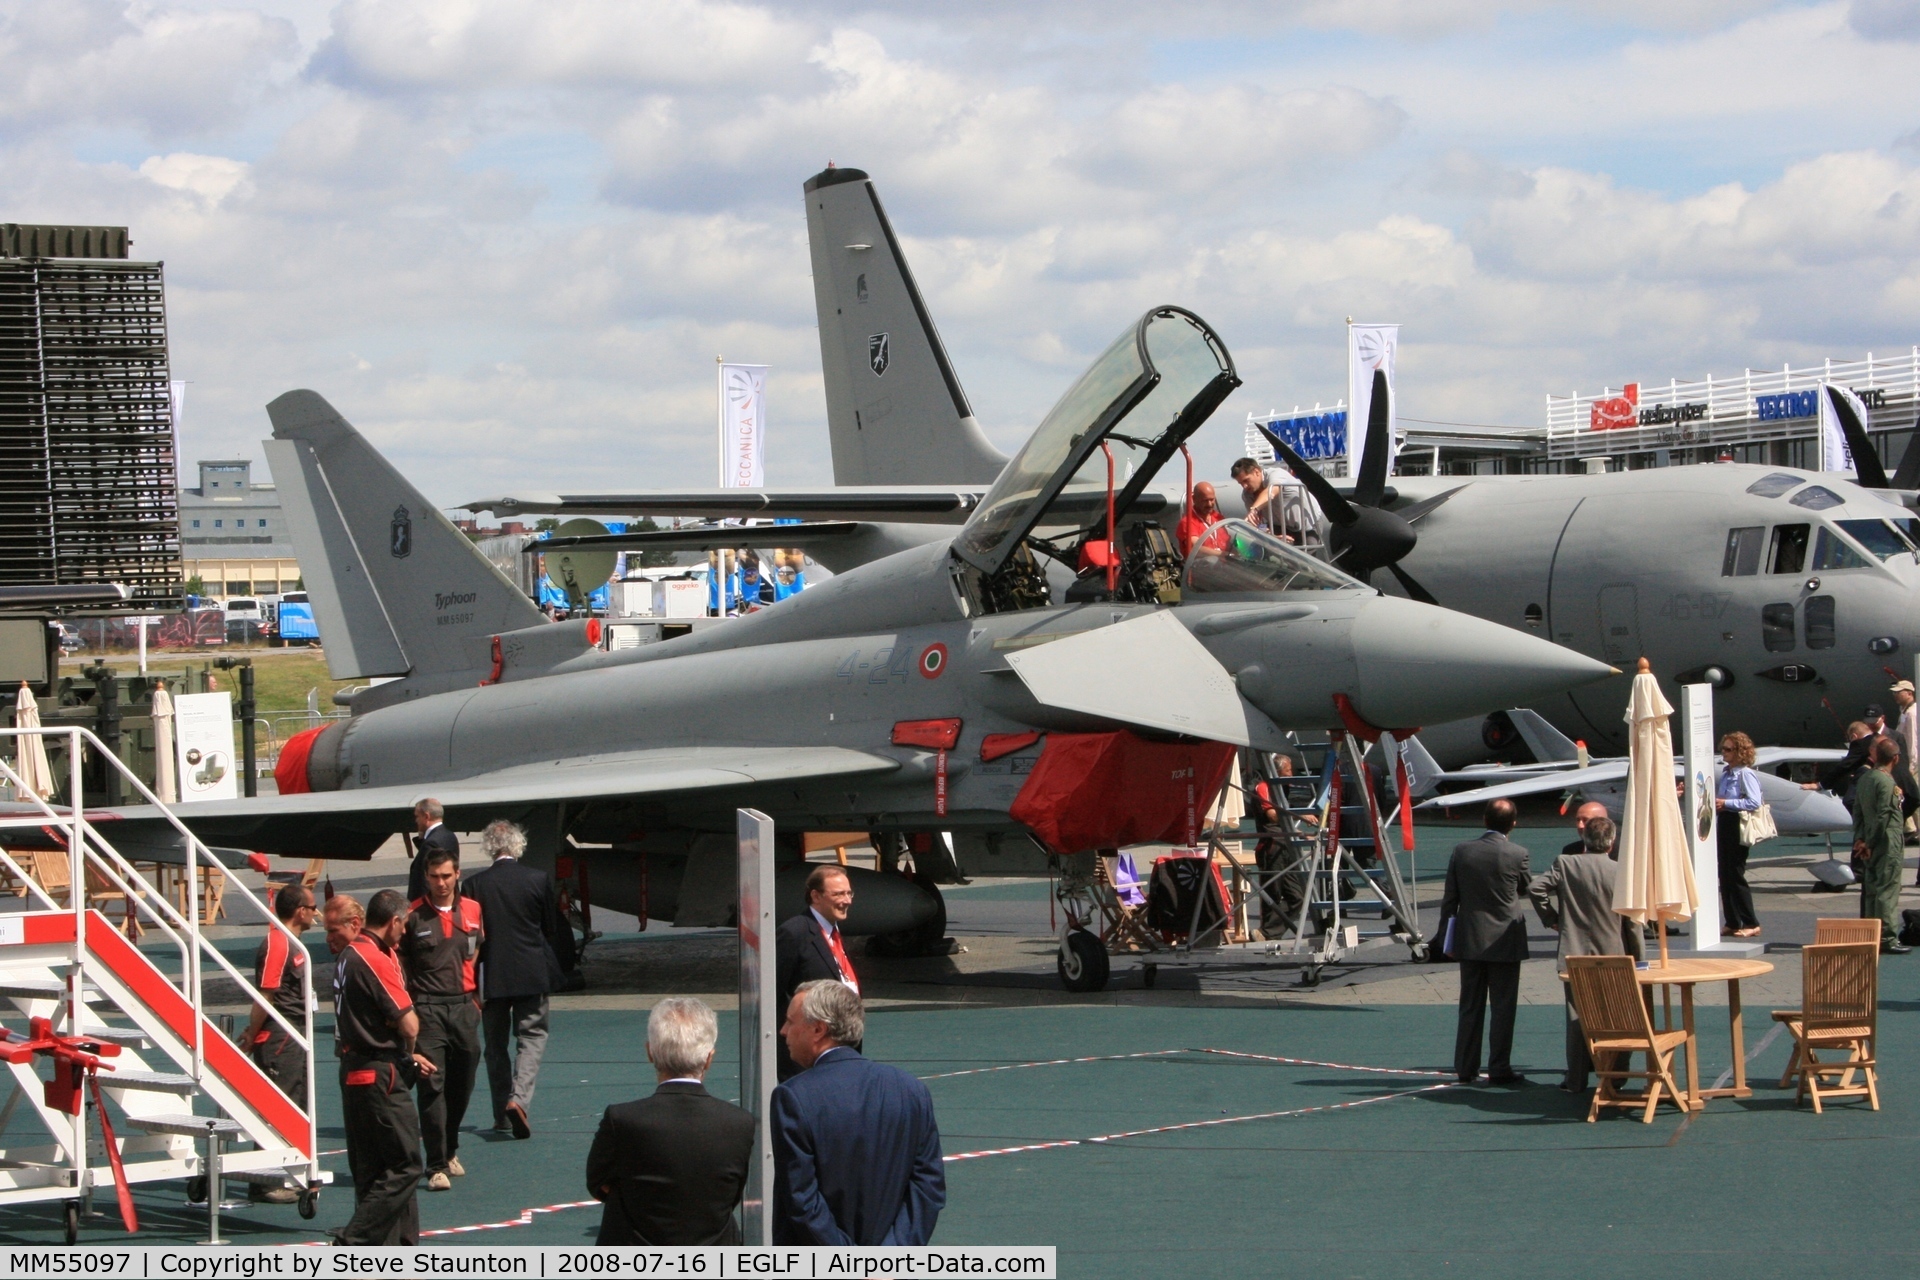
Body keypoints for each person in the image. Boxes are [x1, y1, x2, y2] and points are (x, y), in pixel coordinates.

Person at [771, 981, 944, 1245]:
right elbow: (927, 1186)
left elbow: (802, 1198)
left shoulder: (794, 1097)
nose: (783, 1031)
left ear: (818, 1030)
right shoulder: (911, 1090)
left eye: (790, 1021)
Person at [585, 998, 754, 1245]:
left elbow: (598, 1183)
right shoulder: (739, 1123)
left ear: (650, 1052)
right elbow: (732, 1193)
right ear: (709, 1058)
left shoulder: (622, 1120)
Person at [331, 890, 436, 1246]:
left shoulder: (347, 955)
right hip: (380, 1072)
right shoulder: (372, 958)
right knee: (406, 1165)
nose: (404, 932)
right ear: (393, 921)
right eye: (403, 925)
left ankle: (396, 1246)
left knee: (373, 1170)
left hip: (354, 1068)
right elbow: (409, 1024)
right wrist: (406, 1048)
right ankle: (354, 1239)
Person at [461, 819, 562, 1139]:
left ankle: (500, 1113)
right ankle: (518, 1099)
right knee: (531, 1037)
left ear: (489, 847)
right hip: (531, 971)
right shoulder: (537, 879)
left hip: (491, 975)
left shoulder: (474, 885)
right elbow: (550, 927)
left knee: (494, 1046)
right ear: (519, 845)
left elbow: (471, 937)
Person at [1529, 816, 1643, 1093]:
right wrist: (1639, 958)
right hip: (1614, 955)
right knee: (1618, 1016)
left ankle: (1576, 1079)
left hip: (1574, 952)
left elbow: (1535, 888)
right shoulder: (1622, 872)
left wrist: (1552, 918)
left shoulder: (1566, 864)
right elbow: (1633, 922)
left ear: (1584, 840)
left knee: (1577, 1018)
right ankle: (1615, 1075)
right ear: (1612, 842)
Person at [399, 848, 484, 1191]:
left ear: (457, 874)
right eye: (434, 877)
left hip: (464, 1009)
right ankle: (435, 1165)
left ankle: (450, 1148)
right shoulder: (413, 915)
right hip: (428, 1010)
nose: (441, 883)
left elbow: (477, 949)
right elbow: (401, 964)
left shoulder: (475, 910)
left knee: (462, 1084)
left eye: (446, 876)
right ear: (426, 878)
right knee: (432, 1086)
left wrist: (473, 997)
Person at [1440, 799, 1532, 1085]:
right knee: (1503, 1007)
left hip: (1470, 937)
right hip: (1505, 939)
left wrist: (1446, 937)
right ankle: (1499, 1066)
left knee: (1470, 1005)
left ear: (1484, 820)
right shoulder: (1517, 853)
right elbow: (1526, 887)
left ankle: (1465, 1067)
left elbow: (1450, 899)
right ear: (1513, 823)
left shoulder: (1463, 851)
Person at [246, 882, 316, 1203]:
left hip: (292, 1034)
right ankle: (265, 1181)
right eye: (312, 907)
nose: (315, 913)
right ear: (300, 911)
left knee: (294, 1103)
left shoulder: (291, 942)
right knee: (277, 1105)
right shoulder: (278, 943)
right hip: (279, 1036)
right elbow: (266, 994)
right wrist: (251, 1032)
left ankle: (282, 1173)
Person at [775, 866, 860, 1080]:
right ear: (816, 896)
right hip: (807, 1058)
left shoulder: (834, 932)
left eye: (849, 893)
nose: (847, 900)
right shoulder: (794, 933)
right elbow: (773, 993)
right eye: (838, 894)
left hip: (838, 1050)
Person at [1854, 736, 1910, 953]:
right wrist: (1870, 842)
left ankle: (1870, 934)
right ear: (1895, 758)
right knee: (1887, 889)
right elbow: (1884, 815)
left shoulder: (1866, 778)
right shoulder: (1887, 782)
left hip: (1868, 838)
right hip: (1886, 842)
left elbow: (1858, 810)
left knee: (1871, 888)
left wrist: (1860, 839)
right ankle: (1887, 938)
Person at [1714, 731, 1764, 939]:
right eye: (1723, 749)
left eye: (1728, 749)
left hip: (1737, 822)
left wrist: (1727, 804)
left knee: (1735, 873)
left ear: (1739, 752)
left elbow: (1754, 801)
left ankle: (1751, 921)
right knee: (1724, 874)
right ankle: (1732, 920)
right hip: (1725, 821)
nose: (1723, 753)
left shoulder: (1745, 773)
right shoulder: (1727, 773)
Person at [1805, 720, 1873, 812]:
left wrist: (1821, 784)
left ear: (1854, 736)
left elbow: (1845, 765)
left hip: (1871, 778)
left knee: (1849, 800)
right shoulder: (1883, 739)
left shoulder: (1860, 744)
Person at [408, 798, 460, 905]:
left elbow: (424, 882)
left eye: (417, 816)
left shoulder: (431, 842)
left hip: (432, 906)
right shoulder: (450, 835)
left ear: (426, 816)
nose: (416, 821)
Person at [1229, 458, 1283, 538]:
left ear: (1256, 472)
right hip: (1277, 529)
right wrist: (1272, 536)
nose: (1244, 486)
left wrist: (1254, 509)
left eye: (1246, 480)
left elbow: (1271, 491)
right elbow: (1257, 524)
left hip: (1304, 528)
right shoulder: (1247, 495)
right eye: (1241, 483)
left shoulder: (1276, 474)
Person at [1175, 481, 1224, 558]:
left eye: (1212, 500)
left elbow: (1230, 542)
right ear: (1194, 499)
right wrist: (1223, 554)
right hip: (1200, 566)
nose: (1209, 504)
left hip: (1224, 566)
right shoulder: (1187, 523)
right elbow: (1196, 548)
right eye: (1205, 500)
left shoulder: (1219, 518)